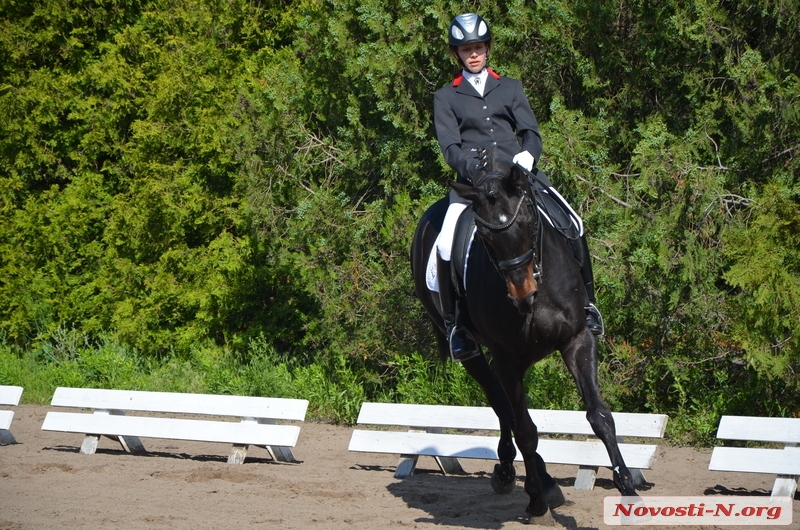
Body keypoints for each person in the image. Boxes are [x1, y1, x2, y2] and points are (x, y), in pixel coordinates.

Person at [432, 13, 603, 362]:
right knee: (446, 243)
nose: (474, 54)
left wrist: (527, 156)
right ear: (458, 54)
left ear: (487, 48)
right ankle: (457, 327)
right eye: (467, 50)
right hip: (475, 185)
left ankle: (588, 306)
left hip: (519, 178)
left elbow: (531, 132)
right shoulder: (446, 96)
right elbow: (450, 147)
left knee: (573, 224)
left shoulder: (510, 86)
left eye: (478, 47)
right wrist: (474, 171)